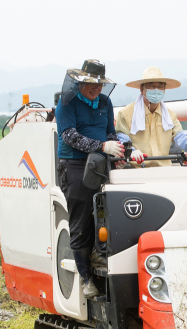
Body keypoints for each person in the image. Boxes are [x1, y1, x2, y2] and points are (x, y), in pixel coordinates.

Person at [55, 59, 124, 298]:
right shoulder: (67, 103)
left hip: (100, 163)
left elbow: (111, 133)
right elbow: (70, 137)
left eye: (100, 85)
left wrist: (119, 150)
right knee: (81, 219)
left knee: (106, 213)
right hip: (74, 166)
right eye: (92, 84)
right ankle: (86, 278)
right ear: (81, 81)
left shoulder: (105, 102)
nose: (96, 89)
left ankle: (101, 258)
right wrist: (102, 146)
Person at [115, 67, 187, 167]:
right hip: (136, 170)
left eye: (160, 87)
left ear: (164, 90)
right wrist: (131, 152)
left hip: (164, 170)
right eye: (152, 87)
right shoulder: (125, 114)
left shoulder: (170, 115)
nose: (156, 90)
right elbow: (122, 140)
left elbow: (180, 135)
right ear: (142, 89)